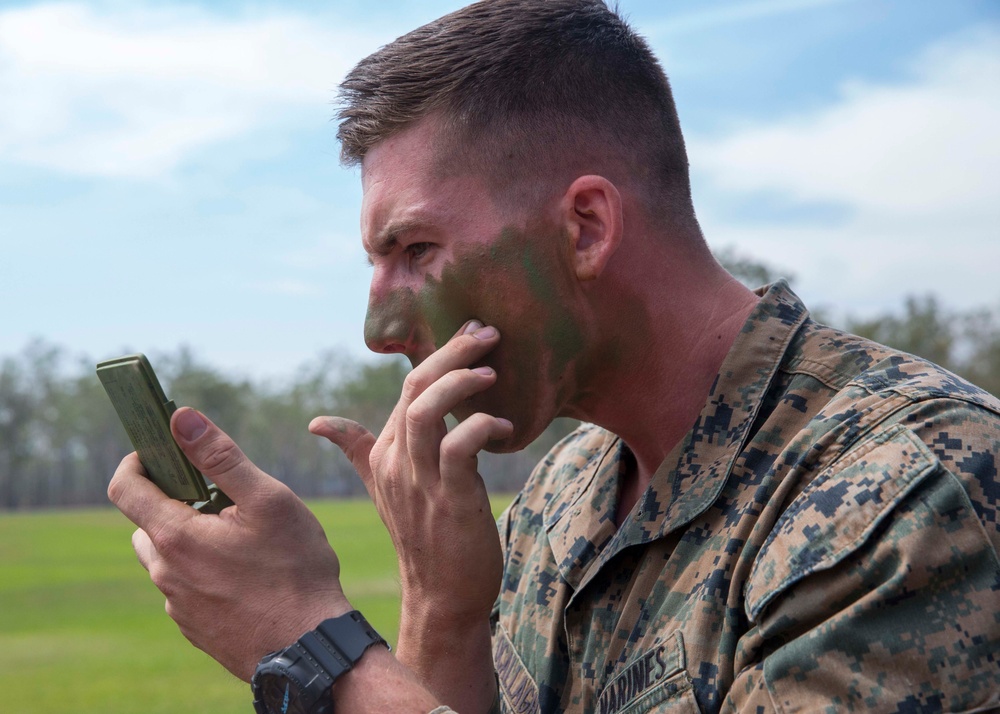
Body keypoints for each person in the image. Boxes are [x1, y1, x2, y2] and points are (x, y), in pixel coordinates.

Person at [107, 1, 1000, 712]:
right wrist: (443, 612)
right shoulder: (561, 500)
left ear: (585, 227)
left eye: (417, 251)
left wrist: (312, 644)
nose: (380, 330)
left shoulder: (911, 492)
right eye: (376, 263)